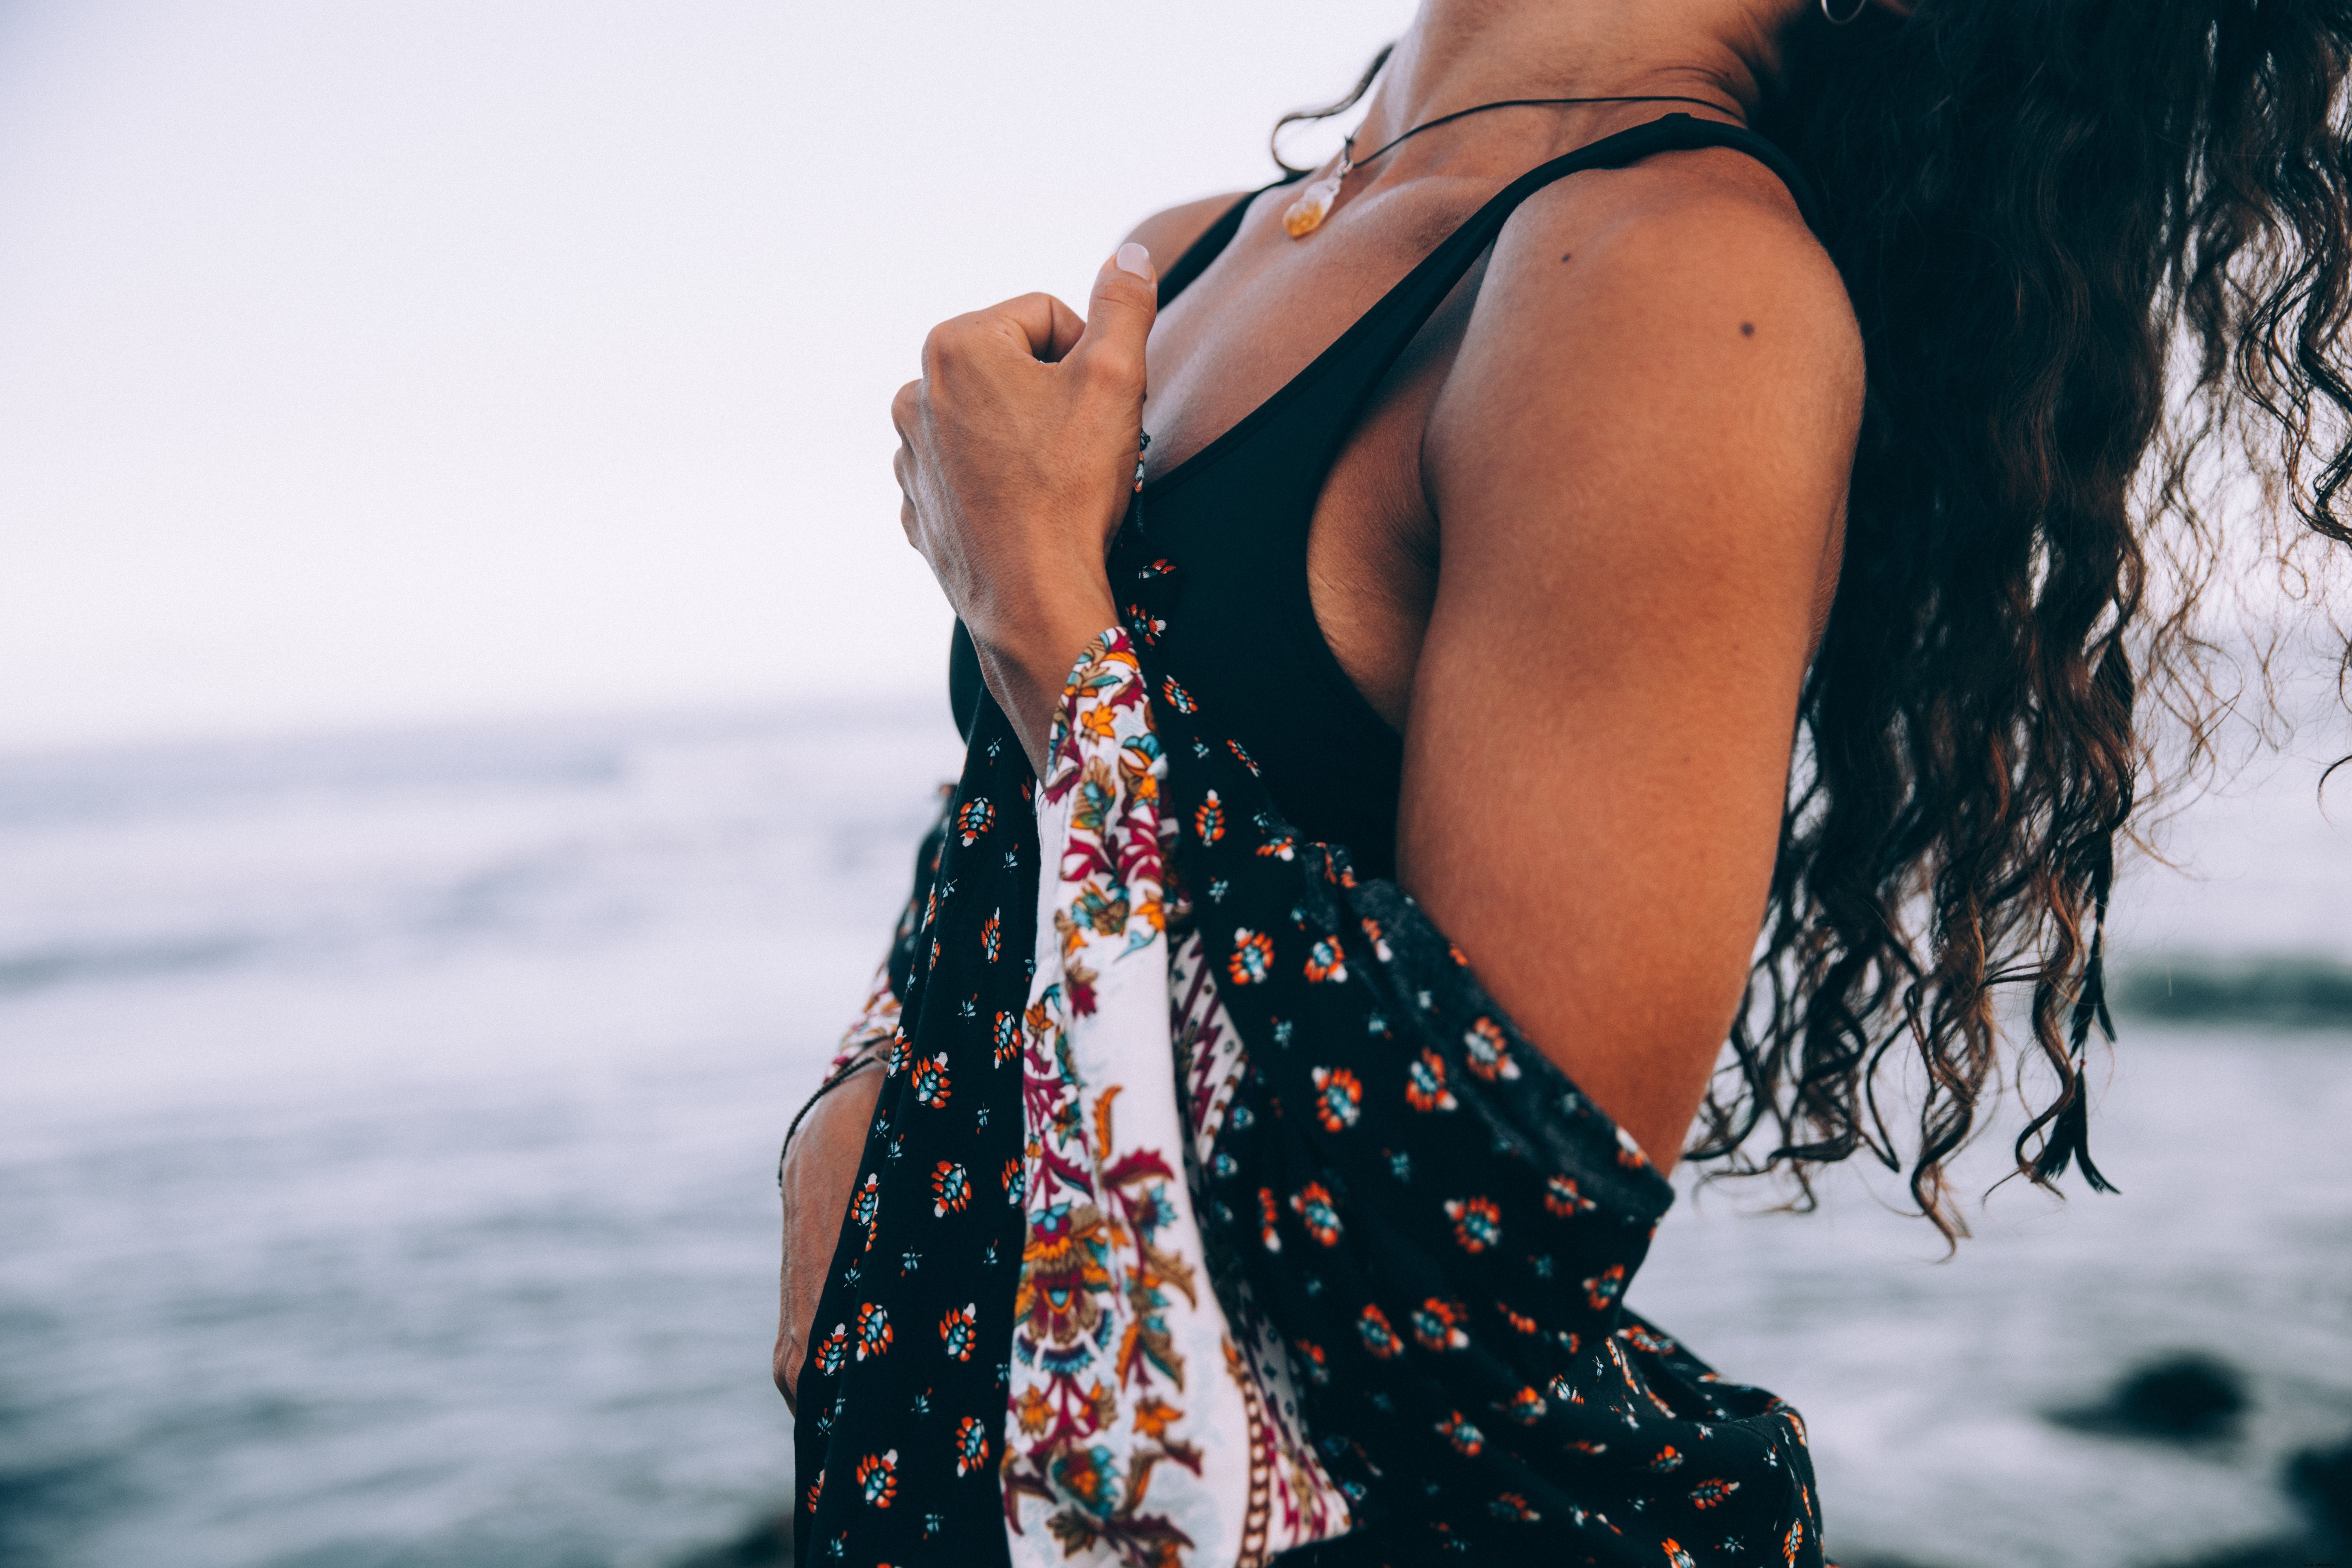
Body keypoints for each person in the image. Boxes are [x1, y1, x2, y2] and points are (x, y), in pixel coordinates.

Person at [778, 0, 2352, 1562]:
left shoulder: (1675, 282)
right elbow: (1020, 823)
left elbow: (1481, 1239)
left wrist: (1043, 613)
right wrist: (862, 1100)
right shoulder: (1191, 253)